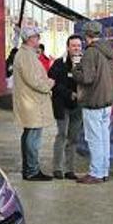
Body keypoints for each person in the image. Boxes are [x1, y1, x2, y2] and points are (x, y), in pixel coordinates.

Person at [73, 21, 113, 184]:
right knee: (104, 137)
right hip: (107, 100)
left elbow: (86, 78)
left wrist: (76, 68)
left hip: (94, 101)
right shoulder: (108, 51)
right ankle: (103, 170)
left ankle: (96, 173)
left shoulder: (91, 52)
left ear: (87, 35)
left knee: (94, 139)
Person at [12, 26, 55, 181]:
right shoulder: (26, 56)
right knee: (33, 136)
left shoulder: (25, 54)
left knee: (30, 134)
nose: (39, 39)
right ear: (30, 39)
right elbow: (34, 80)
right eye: (37, 36)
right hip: (32, 102)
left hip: (30, 101)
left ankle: (30, 169)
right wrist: (50, 84)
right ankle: (32, 170)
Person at [48, 34, 83, 180]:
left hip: (78, 106)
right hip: (62, 105)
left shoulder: (85, 64)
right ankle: (57, 168)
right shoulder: (58, 63)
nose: (76, 48)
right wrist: (69, 93)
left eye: (79, 46)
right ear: (68, 47)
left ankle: (70, 169)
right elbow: (53, 84)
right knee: (62, 135)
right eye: (74, 46)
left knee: (73, 138)